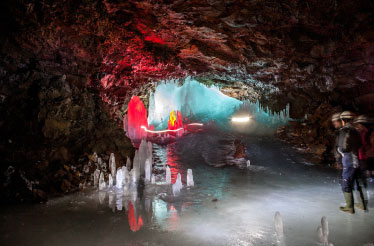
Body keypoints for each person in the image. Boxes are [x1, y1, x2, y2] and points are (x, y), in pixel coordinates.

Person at [337, 111, 366, 213]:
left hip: (348, 160)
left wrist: (340, 151)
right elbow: (359, 144)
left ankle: (350, 207)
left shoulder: (345, 131)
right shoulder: (355, 131)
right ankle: (361, 204)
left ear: (343, 120)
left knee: (346, 182)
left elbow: (343, 147)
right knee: (356, 182)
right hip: (355, 159)